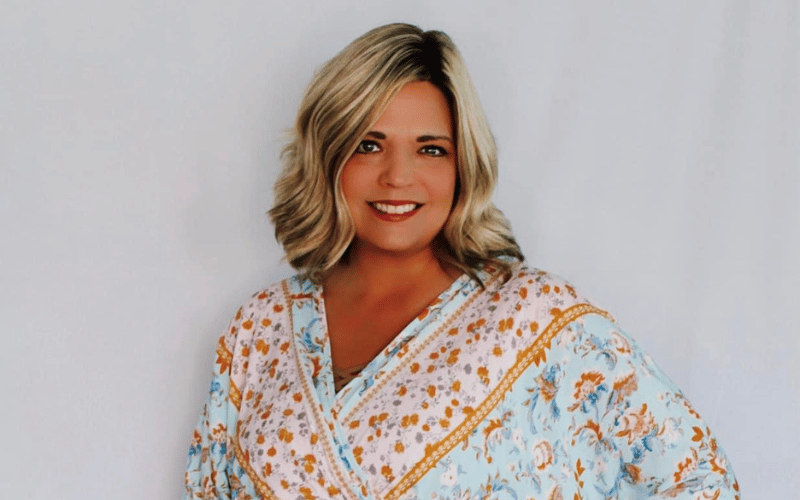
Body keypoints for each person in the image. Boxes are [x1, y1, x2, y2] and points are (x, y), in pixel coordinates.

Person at [184, 23, 739, 500]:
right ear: (329, 156)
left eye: (430, 149)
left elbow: (697, 479)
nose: (398, 177)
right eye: (368, 145)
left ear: (463, 165)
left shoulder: (533, 318)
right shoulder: (259, 329)